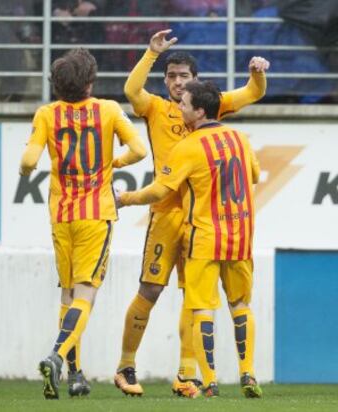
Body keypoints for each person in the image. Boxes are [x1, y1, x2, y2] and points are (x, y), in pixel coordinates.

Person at [113, 29, 269, 398]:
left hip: (200, 217)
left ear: (195, 85)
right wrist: (151, 53)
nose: (178, 83)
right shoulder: (156, 107)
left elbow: (253, 92)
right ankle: (126, 364)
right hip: (166, 212)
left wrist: (258, 72)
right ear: (165, 81)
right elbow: (132, 92)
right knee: (150, 288)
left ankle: (188, 374)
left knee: (193, 296)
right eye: (172, 76)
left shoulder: (205, 103)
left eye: (183, 77)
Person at [19, 48, 147, 399]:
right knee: (86, 294)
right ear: (91, 81)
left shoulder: (47, 114)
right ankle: (57, 356)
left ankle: (76, 374)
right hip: (96, 213)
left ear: (57, 85)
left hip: (62, 215)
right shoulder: (107, 110)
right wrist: (114, 162)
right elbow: (140, 150)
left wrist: (24, 169)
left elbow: (30, 159)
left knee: (68, 292)